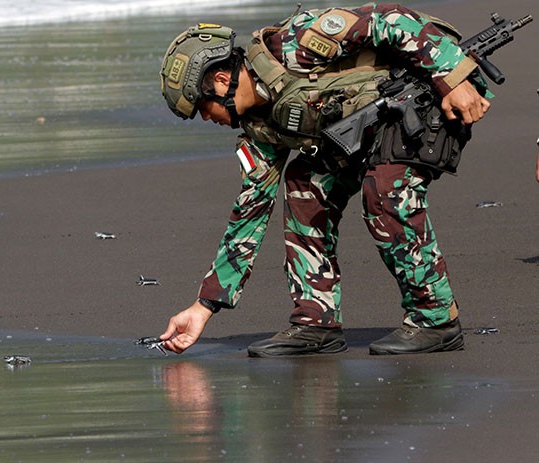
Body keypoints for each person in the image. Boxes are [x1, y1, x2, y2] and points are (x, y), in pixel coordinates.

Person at [156, 4, 491, 356]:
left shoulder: (298, 41)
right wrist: (204, 306)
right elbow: (249, 213)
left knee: (386, 190)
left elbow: (392, 20)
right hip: (365, 135)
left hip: (428, 99)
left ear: (222, 81)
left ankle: (436, 319)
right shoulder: (261, 128)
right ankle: (315, 323)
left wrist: (452, 77)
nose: (207, 119)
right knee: (304, 183)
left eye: (203, 109)